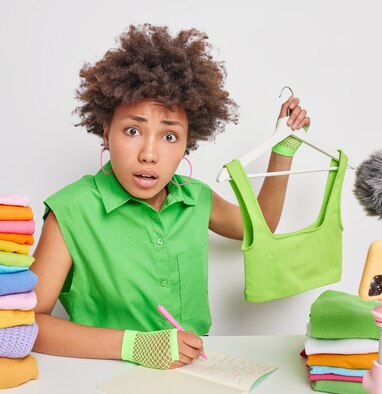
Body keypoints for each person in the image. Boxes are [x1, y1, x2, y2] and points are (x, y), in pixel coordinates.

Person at [31, 24, 310, 370]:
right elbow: (29, 323)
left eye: (169, 137)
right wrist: (136, 345)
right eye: (133, 131)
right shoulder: (71, 211)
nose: (149, 154)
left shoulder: (196, 199)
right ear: (106, 133)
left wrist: (281, 150)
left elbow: (262, 224)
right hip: (100, 378)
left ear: (188, 142)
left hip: (193, 374)